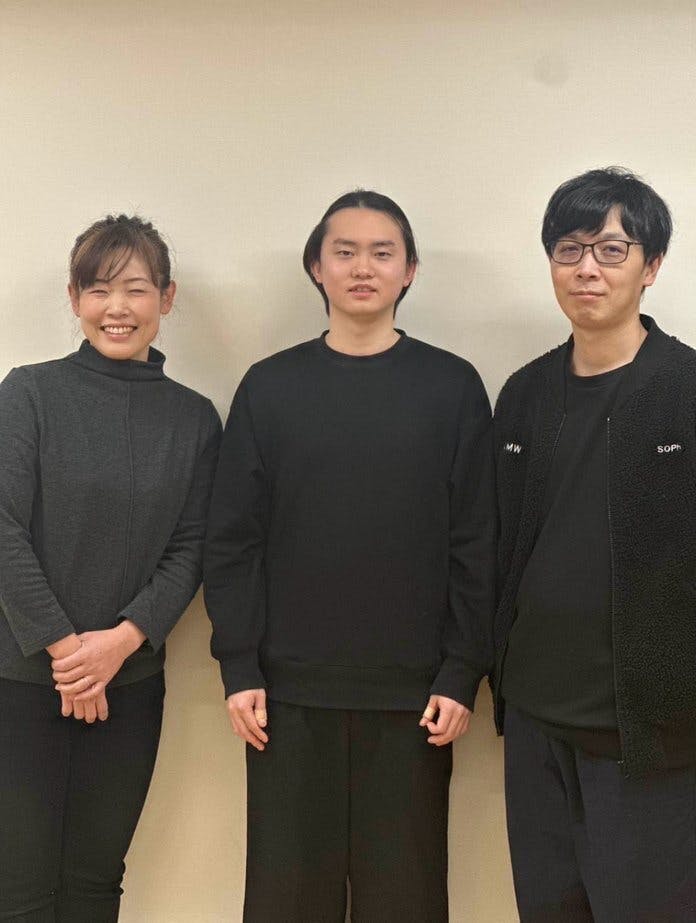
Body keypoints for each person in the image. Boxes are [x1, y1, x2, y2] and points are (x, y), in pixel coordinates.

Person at [204, 190, 495, 922]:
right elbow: (234, 540)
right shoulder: (270, 387)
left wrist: (462, 670)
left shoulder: (453, 386)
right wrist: (239, 665)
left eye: (382, 252)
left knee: (405, 902)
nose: (363, 267)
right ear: (317, 267)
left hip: (417, 700)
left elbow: (475, 541)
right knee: (286, 902)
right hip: (285, 698)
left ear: (409, 271)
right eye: (345, 251)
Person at [0, 214, 221, 922]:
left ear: (166, 296)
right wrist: (70, 653)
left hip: (131, 683)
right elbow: (3, 528)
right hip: (22, 679)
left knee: (97, 881)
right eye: (98, 289)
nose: (116, 307)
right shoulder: (28, 393)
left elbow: (193, 545)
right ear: (74, 298)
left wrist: (119, 644)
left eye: (136, 288)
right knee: (20, 885)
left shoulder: (194, 419)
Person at [493, 167, 696, 921]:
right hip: (535, 719)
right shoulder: (524, 394)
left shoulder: (686, 389)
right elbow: (499, 545)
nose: (587, 268)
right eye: (570, 249)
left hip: (651, 729)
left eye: (612, 250)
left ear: (652, 266)